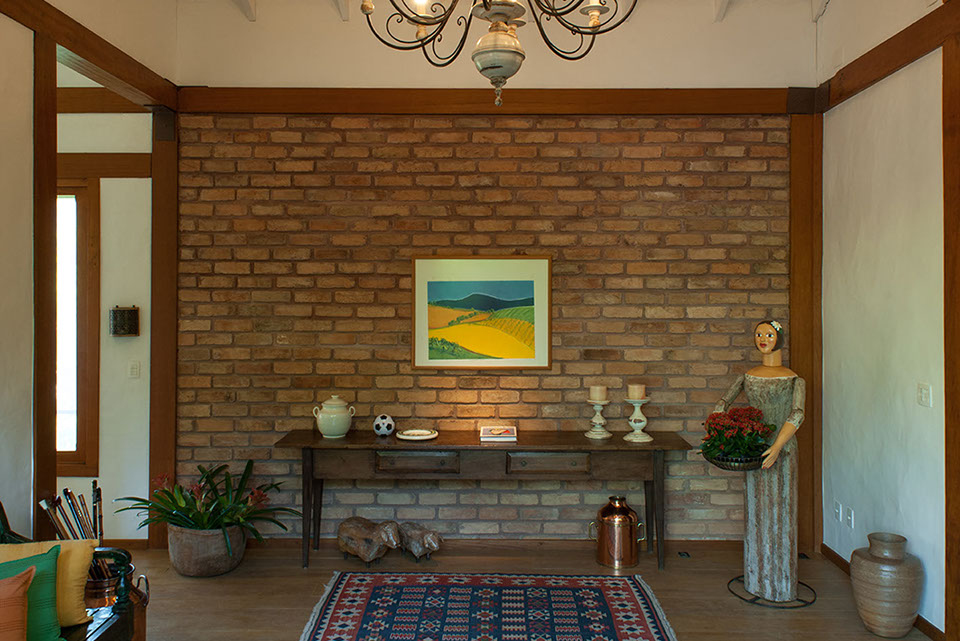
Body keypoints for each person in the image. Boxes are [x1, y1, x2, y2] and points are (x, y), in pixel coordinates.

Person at [714, 320, 805, 602]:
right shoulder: (748, 376)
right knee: (756, 509)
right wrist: (720, 430)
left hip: (782, 450)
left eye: (769, 334)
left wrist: (777, 446)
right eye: (758, 334)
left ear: (780, 338)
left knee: (782, 508)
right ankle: (756, 578)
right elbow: (723, 403)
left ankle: (782, 585)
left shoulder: (793, 379)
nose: (762, 338)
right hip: (754, 448)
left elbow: (797, 414)